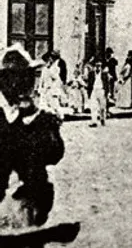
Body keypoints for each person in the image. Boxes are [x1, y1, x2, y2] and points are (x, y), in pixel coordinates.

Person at [0, 44, 65, 228]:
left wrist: (41, 122)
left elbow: (55, 154)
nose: (22, 84)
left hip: (30, 205)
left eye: (26, 78)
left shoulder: (41, 119)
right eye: (13, 78)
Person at [36, 52, 64, 119]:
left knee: (55, 105)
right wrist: (40, 88)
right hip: (45, 90)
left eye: (50, 59)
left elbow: (56, 79)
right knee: (42, 104)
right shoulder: (45, 69)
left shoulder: (55, 68)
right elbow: (42, 79)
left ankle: (60, 117)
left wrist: (54, 89)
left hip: (51, 89)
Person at [87, 60, 108, 127]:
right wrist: (89, 93)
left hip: (101, 90)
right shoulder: (91, 74)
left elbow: (107, 84)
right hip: (94, 90)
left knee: (102, 107)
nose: (98, 68)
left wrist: (107, 92)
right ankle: (94, 121)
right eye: (96, 66)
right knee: (93, 107)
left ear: (101, 67)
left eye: (99, 66)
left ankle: (102, 118)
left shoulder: (104, 74)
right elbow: (89, 83)